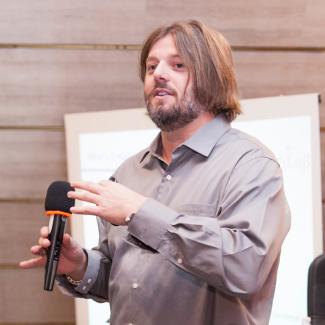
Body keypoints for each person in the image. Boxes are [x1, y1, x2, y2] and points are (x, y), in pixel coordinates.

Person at [20, 20, 290, 325]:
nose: (158, 74)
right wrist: (80, 265)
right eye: (151, 67)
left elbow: (246, 268)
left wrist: (140, 213)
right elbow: (126, 281)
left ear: (213, 78)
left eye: (178, 65)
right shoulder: (129, 172)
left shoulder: (250, 165)